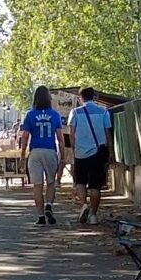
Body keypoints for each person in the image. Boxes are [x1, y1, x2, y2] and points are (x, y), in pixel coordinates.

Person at [69, 86, 115, 225]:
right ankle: (93, 215)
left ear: (80, 98)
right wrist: (111, 151)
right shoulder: (103, 112)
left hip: (80, 152)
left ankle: (84, 204)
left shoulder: (75, 112)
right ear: (94, 96)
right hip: (98, 153)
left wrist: (73, 147)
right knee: (95, 185)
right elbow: (108, 133)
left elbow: (71, 133)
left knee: (80, 182)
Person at [21, 86, 67, 225]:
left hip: (35, 151)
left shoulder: (30, 115)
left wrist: (23, 154)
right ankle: (49, 205)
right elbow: (60, 138)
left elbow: (25, 136)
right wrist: (63, 156)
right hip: (50, 150)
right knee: (51, 182)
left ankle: (41, 216)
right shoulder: (55, 115)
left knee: (37, 185)